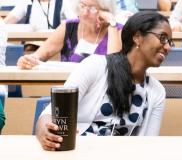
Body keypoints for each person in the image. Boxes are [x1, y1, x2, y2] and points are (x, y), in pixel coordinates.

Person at [36, 11, 172, 150]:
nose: (168, 47)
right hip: (78, 155)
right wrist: (45, 133)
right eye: (163, 38)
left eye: (170, 42)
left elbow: (149, 145)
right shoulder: (95, 66)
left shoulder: (157, 91)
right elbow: (49, 115)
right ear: (137, 37)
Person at [16, 0, 122, 68]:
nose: (84, 13)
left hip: (105, 91)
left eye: (93, 8)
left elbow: (115, 66)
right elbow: (39, 55)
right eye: (82, 5)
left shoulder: (117, 31)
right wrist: (28, 60)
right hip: (70, 90)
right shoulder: (69, 27)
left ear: (106, 10)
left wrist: (112, 23)